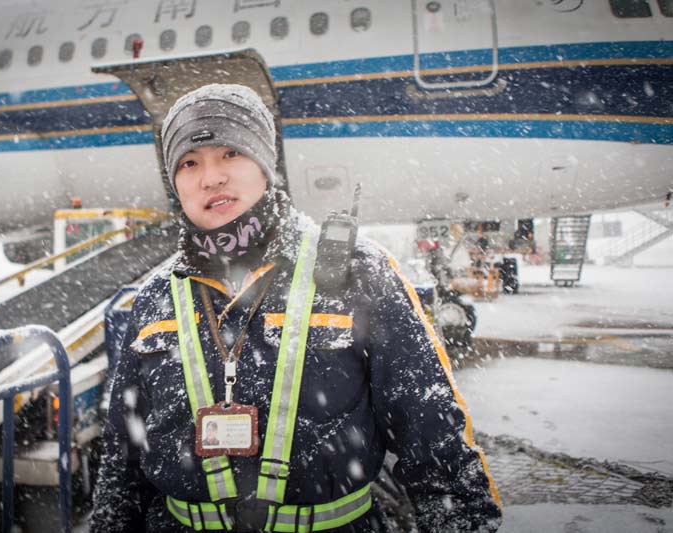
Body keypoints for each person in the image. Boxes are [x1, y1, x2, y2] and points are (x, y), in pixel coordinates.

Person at [90, 84, 502, 532]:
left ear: (266, 165)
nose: (210, 177)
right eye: (189, 163)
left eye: (230, 153)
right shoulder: (155, 296)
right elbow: (122, 460)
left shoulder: (356, 270)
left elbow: (432, 429)